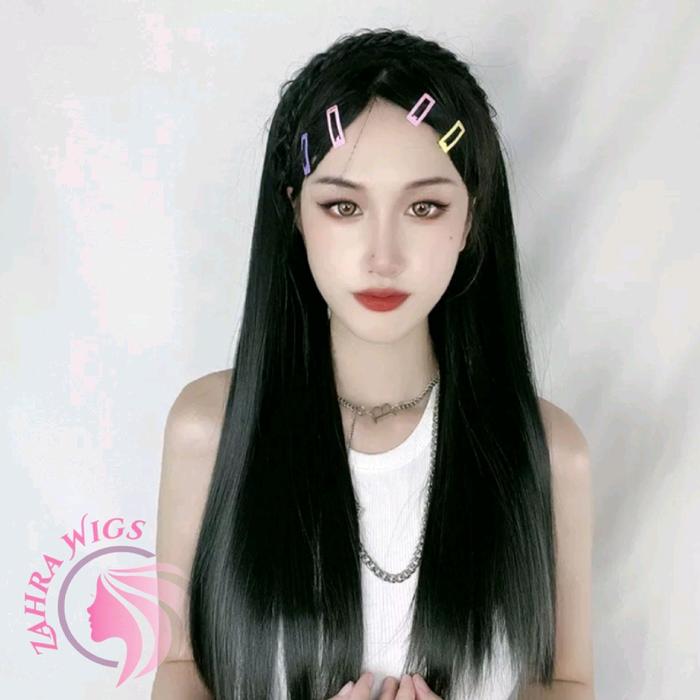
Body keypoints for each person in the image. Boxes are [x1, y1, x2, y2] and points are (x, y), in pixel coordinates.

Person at [152, 28, 594, 700]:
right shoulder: (210, 431)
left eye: (424, 207)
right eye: (344, 206)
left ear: (471, 218)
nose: (383, 255)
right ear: (295, 213)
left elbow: (565, 680)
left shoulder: (547, 453)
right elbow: (180, 665)